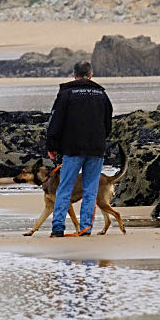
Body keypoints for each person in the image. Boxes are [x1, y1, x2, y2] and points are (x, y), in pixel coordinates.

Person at [45, 62, 112, 238]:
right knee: (90, 189)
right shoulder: (102, 94)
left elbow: (55, 122)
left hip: (72, 148)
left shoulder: (66, 94)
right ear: (91, 75)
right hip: (96, 148)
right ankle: (85, 229)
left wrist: (51, 146)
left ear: (74, 75)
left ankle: (58, 228)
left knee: (64, 188)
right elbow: (108, 124)